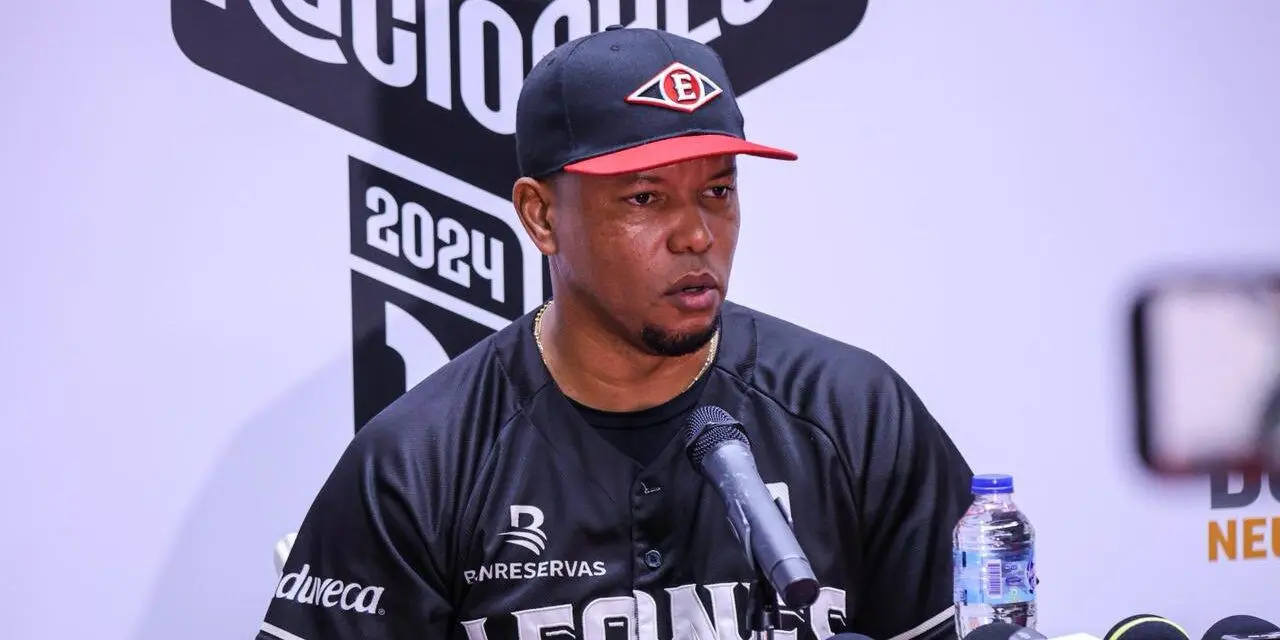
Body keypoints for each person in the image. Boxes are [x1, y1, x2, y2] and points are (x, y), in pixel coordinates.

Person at [256, 26, 975, 640]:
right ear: (541, 216)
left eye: (718, 191)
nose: (696, 234)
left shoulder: (854, 413)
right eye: (645, 198)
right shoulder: (421, 460)